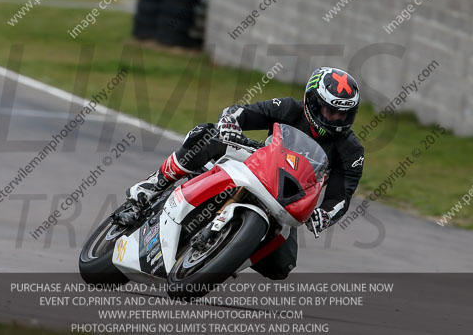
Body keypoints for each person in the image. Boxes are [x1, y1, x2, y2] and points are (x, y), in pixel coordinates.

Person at [124, 67, 365, 280]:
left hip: (289, 198)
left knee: (281, 267)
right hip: (258, 163)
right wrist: (231, 122)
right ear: (311, 103)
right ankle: (153, 184)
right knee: (207, 136)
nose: (336, 119)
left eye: (343, 114)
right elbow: (243, 112)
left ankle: (225, 252)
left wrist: (324, 214)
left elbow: (340, 197)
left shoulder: (351, 150)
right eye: (330, 111)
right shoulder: (290, 109)